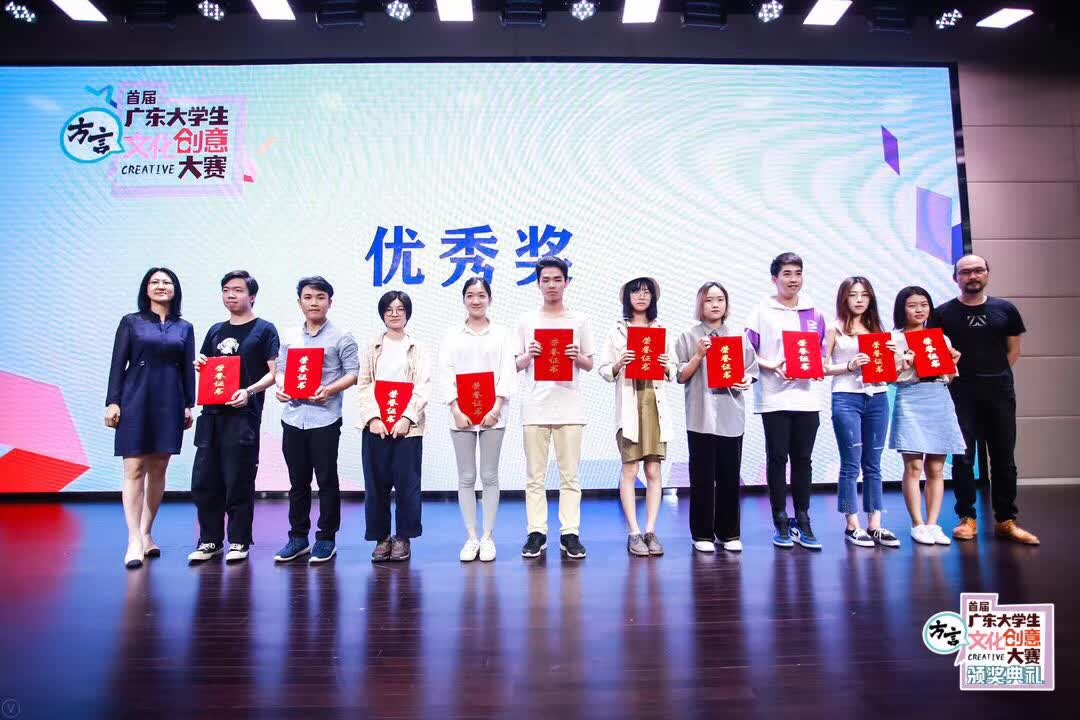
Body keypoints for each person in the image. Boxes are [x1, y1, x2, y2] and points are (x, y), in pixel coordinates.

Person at [936, 254, 1039, 545]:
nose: (972, 276)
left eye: (978, 270)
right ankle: (967, 518)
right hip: (960, 394)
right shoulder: (942, 314)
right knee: (963, 458)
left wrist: (994, 376)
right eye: (965, 272)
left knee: (1004, 458)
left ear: (987, 274)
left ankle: (1006, 520)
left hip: (1000, 393)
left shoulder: (1005, 310)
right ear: (955, 278)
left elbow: (1013, 351)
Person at [188, 271, 279, 564]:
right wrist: (200, 364)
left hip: (243, 416)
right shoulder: (215, 330)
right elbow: (208, 366)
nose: (231, 295)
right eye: (226, 289)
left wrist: (249, 391)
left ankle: (239, 540)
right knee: (205, 481)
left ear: (252, 296)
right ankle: (210, 540)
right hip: (211, 416)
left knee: (238, 480)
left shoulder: (264, 330)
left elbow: (274, 374)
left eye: (238, 290)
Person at [106, 267, 195, 568]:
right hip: (135, 397)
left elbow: (187, 368)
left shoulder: (184, 327)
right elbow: (118, 364)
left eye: (167, 282)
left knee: (158, 467)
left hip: (170, 399)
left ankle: (146, 533)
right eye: (154, 282)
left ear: (175, 289)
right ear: (146, 289)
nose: (161, 286)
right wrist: (113, 402)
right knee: (133, 467)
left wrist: (189, 404)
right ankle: (133, 539)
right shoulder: (131, 322)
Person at [272, 276, 359, 564]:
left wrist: (330, 390)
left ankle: (326, 538)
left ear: (330, 302)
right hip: (293, 417)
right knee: (297, 482)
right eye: (308, 297)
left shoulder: (342, 336)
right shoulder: (289, 336)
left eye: (320, 297)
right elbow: (281, 370)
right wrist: (281, 387)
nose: (314, 303)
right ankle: (298, 538)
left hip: (325, 418)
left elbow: (353, 373)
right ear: (299, 302)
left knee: (326, 480)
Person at [515, 256, 594, 559]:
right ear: (537, 284)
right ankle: (537, 532)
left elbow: (589, 363)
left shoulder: (579, 320)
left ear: (566, 282)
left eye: (557, 279)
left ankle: (570, 532)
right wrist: (529, 355)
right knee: (534, 476)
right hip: (535, 407)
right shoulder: (526, 320)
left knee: (570, 475)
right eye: (545, 280)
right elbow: (515, 364)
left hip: (569, 407)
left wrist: (576, 356)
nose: (551, 285)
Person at [746, 252, 826, 550]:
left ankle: (803, 519)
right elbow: (746, 352)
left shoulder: (814, 313)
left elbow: (821, 353)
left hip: (806, 398)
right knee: (777, 459)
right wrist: (770, 365)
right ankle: (780, 520)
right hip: (774, 397)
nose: (793, 279)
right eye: (787, 274)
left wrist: (816, 367)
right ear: (774, 278)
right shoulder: (761, 312)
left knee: (803, 460)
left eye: (798, 273)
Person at [598, 277, 678, 557]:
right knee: (630, 471)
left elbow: (674, 369)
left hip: (654, 406)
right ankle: (633, 532)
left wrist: (666, 366)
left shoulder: (660, 330)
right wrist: (620, 363)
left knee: (654, 471)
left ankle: (651, 530)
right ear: (627, 297)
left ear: (653, 298)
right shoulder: (617, 331)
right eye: (636, 292)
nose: (642, 296)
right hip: (629, 409)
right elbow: (604, 370)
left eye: (646, 292)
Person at [438, 277, 517, 562]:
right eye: (470, 295)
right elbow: (445, 372)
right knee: (467, 477)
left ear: (489, 299)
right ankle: (472, 537)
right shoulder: (452, 335)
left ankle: (488, 537)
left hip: (494, 413)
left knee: (490, 475)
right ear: (463, 299)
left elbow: (508, 371)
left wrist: (496, 407)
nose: (476, 300)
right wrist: (456, 409)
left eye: (481, 295)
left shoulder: (503, 334)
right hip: (460, 415)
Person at [675, 282, 757, 553]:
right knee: (701, 477)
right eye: (709, 300)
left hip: (730, 415)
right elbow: (680, 375)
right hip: (700, 415)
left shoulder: (738, 336)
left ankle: (729, 532)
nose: (715, 304)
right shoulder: (688, 336)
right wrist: (699, 355)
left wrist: (746, 380)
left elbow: (751, 369)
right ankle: (701, 534)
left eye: (720, 299)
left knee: (729, 476)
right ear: (700, 304)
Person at [823, 277, 900, 548]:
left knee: (873, 463)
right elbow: (821, 367)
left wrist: (895, 356)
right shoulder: (834, 328)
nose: (859, 300)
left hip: (877, 396)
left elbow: (891, 374)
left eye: (864, 295)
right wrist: (849, 365)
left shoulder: (878, 329)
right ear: (843, 298)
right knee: (851, 463)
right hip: (846, 397)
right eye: (853, 295)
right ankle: (852, 525)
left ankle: (875, 524)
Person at [356, 291, 431, 563]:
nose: (394, 313)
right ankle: (381, 538)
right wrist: (373, 418)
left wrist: (407, 418)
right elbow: (364, 384)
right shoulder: (372, 346)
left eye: (400, 309)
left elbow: (423, 386)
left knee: (407, 484)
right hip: (376, 427)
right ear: (382, 313)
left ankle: (403, 538)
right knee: (375, 485)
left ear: (407, 313)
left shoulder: (417, 348)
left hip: (407, 428)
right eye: (389, 309)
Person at [888, 286, 965, 546]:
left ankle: (933, 524)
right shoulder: (893, 339)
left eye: (924, 304)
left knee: (936, 468)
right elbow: (888, 378)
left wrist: (953, 361)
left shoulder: (940, 338)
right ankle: (917, 524)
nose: (919, 310)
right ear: (902, 309)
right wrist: (904, 363)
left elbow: (950, 378)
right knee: (914, 466)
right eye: (912, 305)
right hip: (910, 397)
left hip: (939, 397)